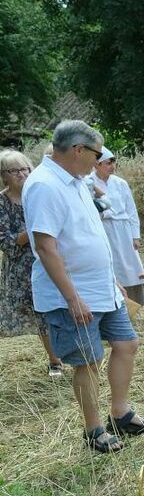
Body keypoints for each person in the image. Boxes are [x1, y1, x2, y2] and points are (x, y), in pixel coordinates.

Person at [24, 120, 144, 453]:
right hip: (73, 293)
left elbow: (88, 235)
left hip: (102, 288)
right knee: (87, 361)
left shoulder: (75, 181)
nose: (99, 161)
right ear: (78, 150)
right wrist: (73, 298)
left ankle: (121, 413)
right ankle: (93, 430)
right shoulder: (44, 185)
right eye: (97, 154)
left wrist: (111, 280)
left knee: (127, 344)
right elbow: (45, 246)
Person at [0, 148, 64, 376]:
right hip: (22, 268)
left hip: (52, 257)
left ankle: (68, 354)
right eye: (13, 170)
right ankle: (55, 361)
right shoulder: (2, 202)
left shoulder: (39, 191)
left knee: (58, 307)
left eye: (25, 168)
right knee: (41, 314)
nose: (21, 174)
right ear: (4, 175)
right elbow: (6, 242)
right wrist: (35, 228)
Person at [92, 148, 144, 306]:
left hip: (123, 230)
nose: (112, 166)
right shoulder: (88, 182)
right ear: (97, 164)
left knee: (129, 267)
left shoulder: (120, 183)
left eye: (113, 162)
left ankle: (133, 303)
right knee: (111, 264)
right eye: (108, 163)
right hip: (104, 229)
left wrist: (135, 236)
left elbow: (131, 210)